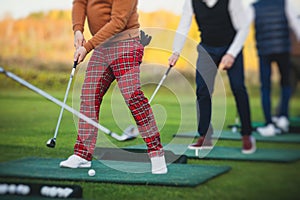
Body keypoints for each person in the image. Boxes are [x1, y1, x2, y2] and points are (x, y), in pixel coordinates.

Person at [60, 0, 168, 174]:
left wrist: (87, 47)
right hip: (102, 46)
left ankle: (156, 153)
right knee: (89, 96)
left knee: (133, 97)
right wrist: (78, 29)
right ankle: (83, 155)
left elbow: (118, 22)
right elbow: (80, 2)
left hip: (126, 43)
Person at [168, 0, 256, 154]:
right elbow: (184, 26)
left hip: (231, 47)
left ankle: (247, 134)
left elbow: (243, 28)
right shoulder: (191, 2)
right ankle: (205, 135)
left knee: (238, 88)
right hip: (207, 48)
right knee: (202, 90)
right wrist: (176, 51)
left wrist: (231, 54)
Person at [249, 0, 300, 136]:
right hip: (283, 49)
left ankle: (269, 124)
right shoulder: (284, 3)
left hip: (264, 51)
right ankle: (283, 117)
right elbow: (296, 25)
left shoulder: (255, 7)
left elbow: (243, 27)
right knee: (286, 83)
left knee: (265, 87)